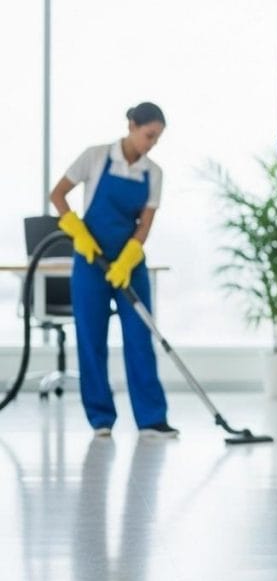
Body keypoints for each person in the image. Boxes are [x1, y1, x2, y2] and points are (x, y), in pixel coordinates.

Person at [49, 102, 177, 439]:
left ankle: (151, 419)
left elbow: (145, 225)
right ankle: (101, 418)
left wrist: (128, 257)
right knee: (92, 339)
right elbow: (58, 194)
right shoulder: (95, 157)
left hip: (129, 264)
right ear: (132, 125)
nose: (151, 143)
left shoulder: (154, 173)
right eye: (149, 135)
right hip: (90, 262)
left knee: (139, 337)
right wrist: (76, 229)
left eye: (157, 139)